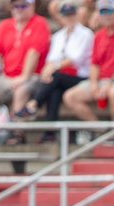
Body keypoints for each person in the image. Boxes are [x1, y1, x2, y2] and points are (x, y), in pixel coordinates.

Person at [0, 0, 50, 144]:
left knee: (21, 90)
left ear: (32, 6)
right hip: (7, 76)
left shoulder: (39, 23)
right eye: (15, 6)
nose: (19, 9)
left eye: (23, 5)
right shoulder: (5, 25)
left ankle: (17, 134)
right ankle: (3, 129)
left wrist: (24, 76)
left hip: (33, 75)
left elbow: (34, 53)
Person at [62, 0, 114, 123]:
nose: (106, 14)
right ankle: (98, 128)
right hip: (103, 80)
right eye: (102, 11)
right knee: (70, 96)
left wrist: (111, 81)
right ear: (98, 14)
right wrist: (94, 83)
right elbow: (95, 64)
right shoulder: (99, 35)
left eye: (109, 10)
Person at [20, 1, 89, 129]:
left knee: (55, 77)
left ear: (76, 15)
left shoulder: (86, 34)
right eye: (66, 15)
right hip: (61, 77)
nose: (69, 18)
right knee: (54, 89)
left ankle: (34, 104)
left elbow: (75, 59)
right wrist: (47, 70)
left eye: (71, 15)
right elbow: (51, 59)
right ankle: (50, 132)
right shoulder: (58, 36)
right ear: (61, 17)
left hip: (81, 76)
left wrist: (52, 68)